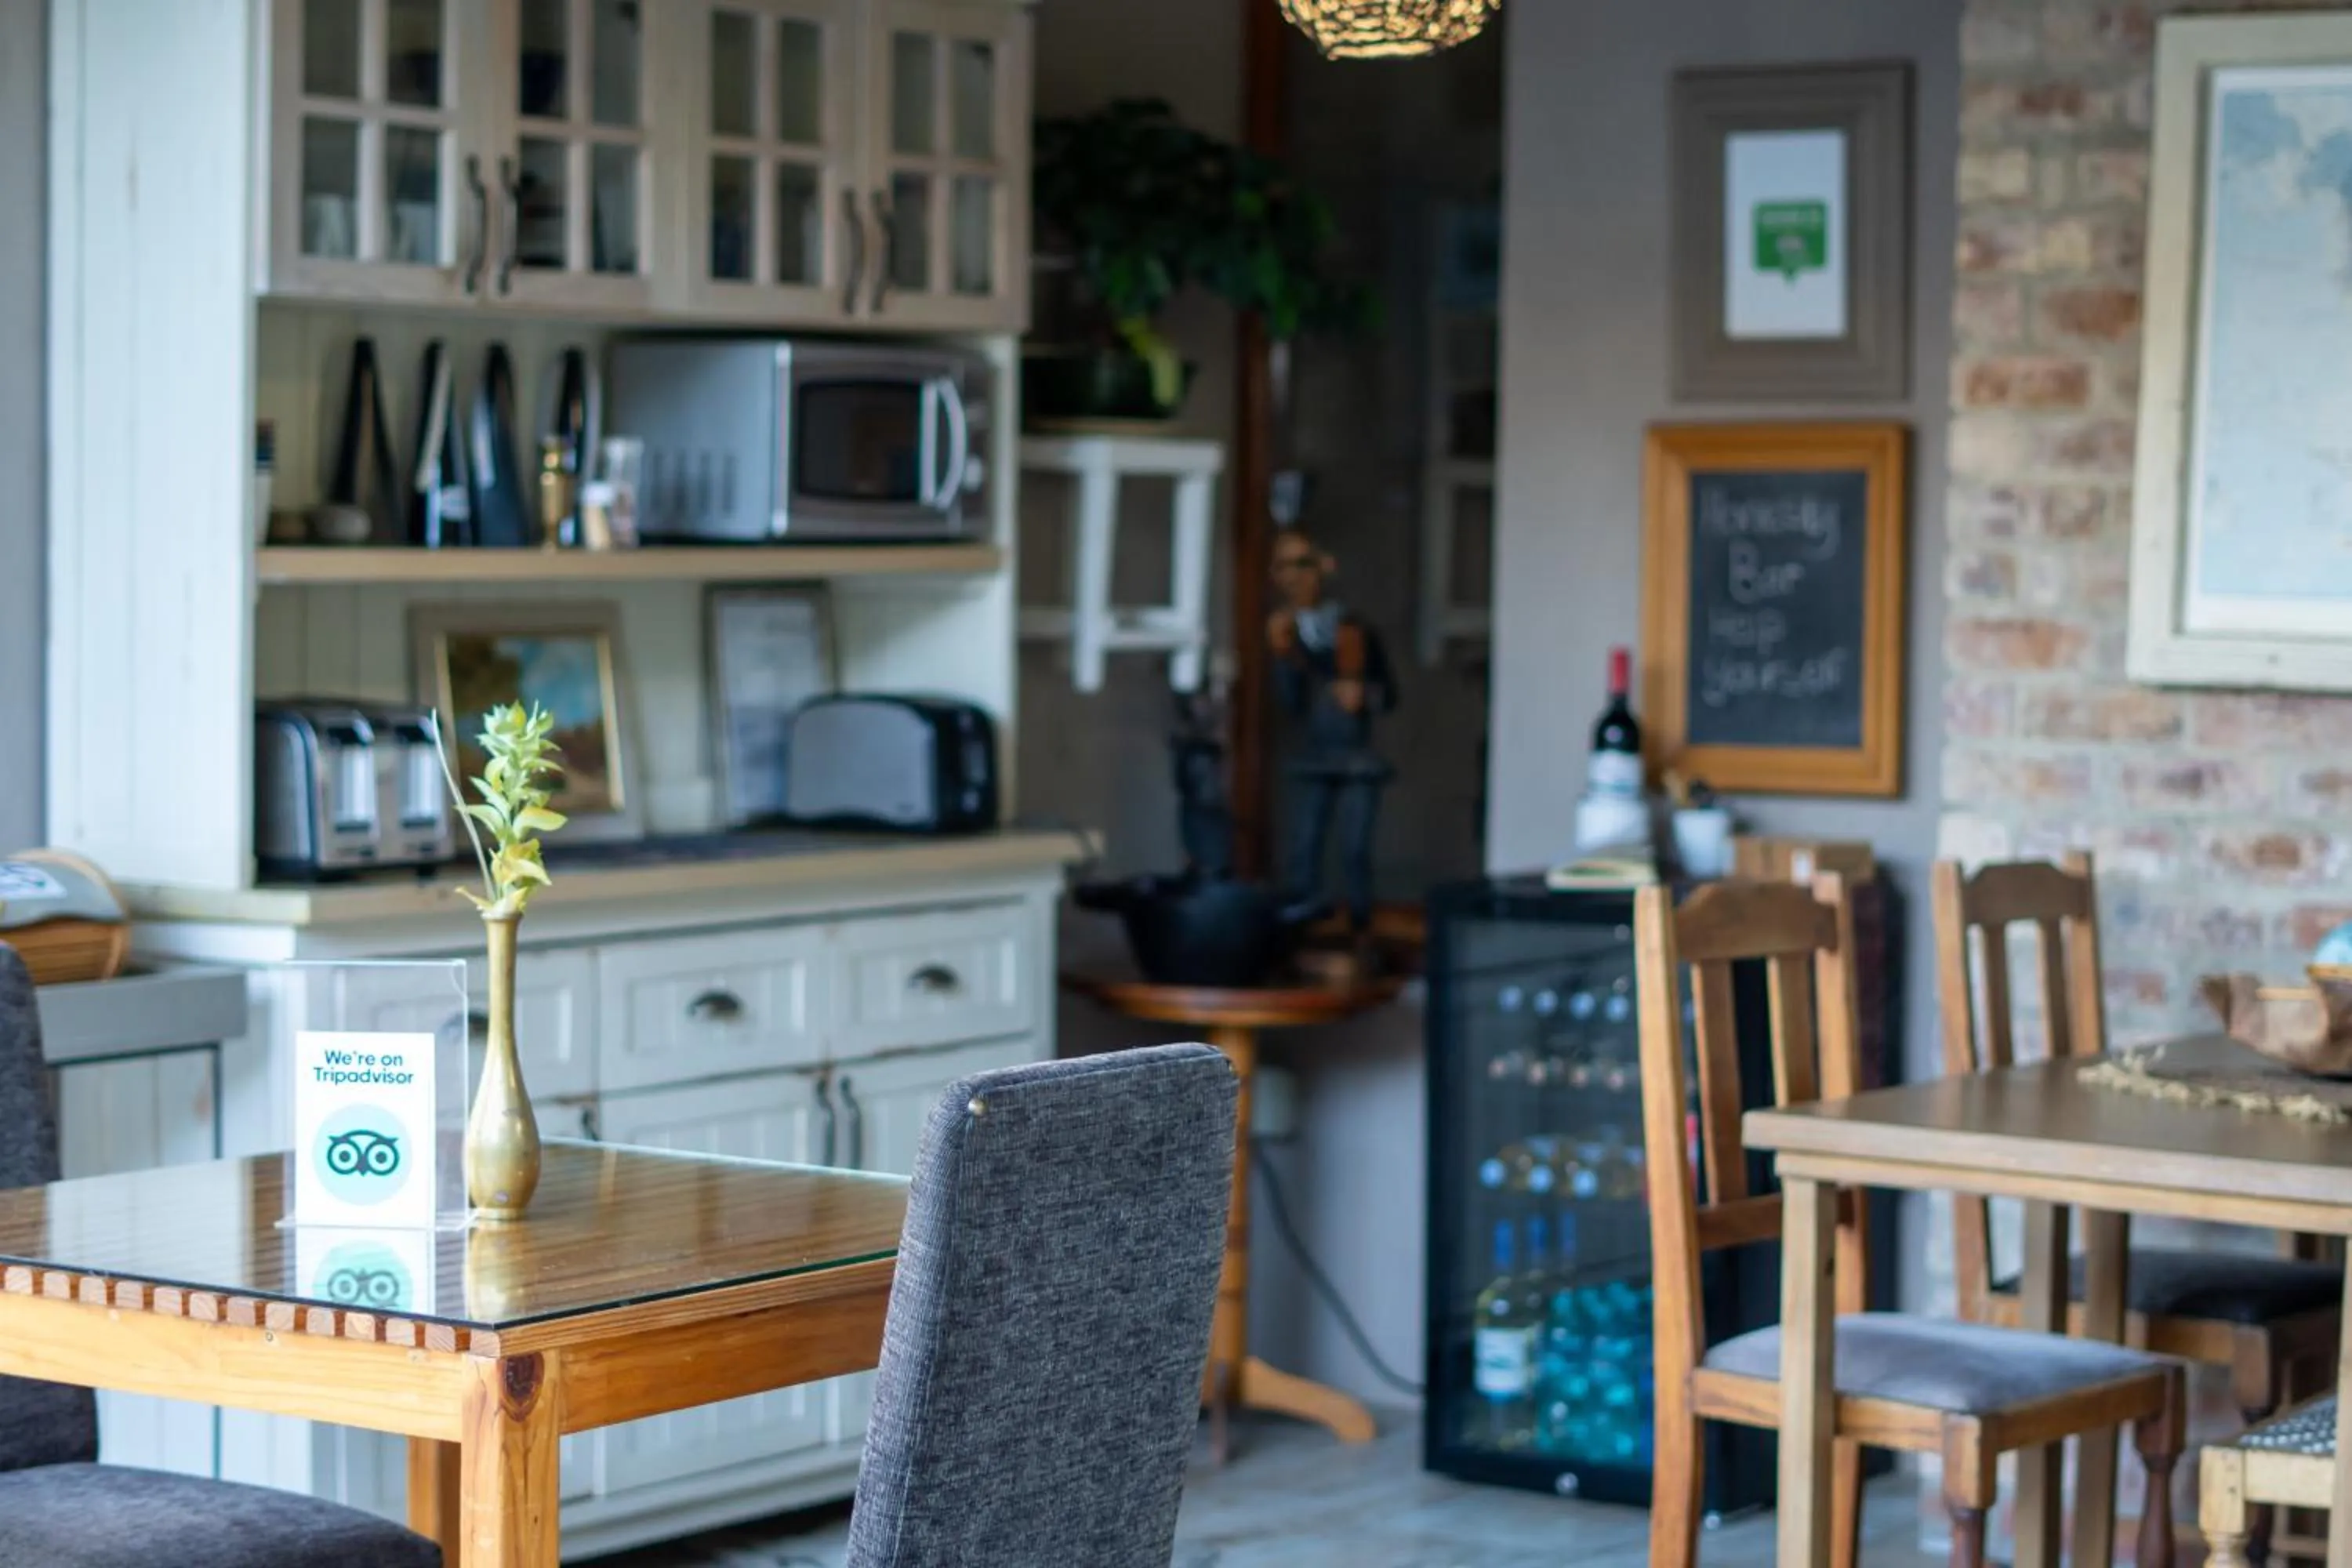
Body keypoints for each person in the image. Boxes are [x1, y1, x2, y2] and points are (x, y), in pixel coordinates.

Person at [1267, 528, 1396, 932]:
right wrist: (1282, 657)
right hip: (1312, 756)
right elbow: (1287, 703)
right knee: (1304, 849)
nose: (1294, 578)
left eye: (1303, 565)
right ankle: (1302, 931)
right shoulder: (1284, 634)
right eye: (1284, 567)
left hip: (1355, 755)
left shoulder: (1353, 629)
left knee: (1355, 850)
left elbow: (1389, 693)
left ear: (1324, 567)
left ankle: (1360, 930)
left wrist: (1363, 694)